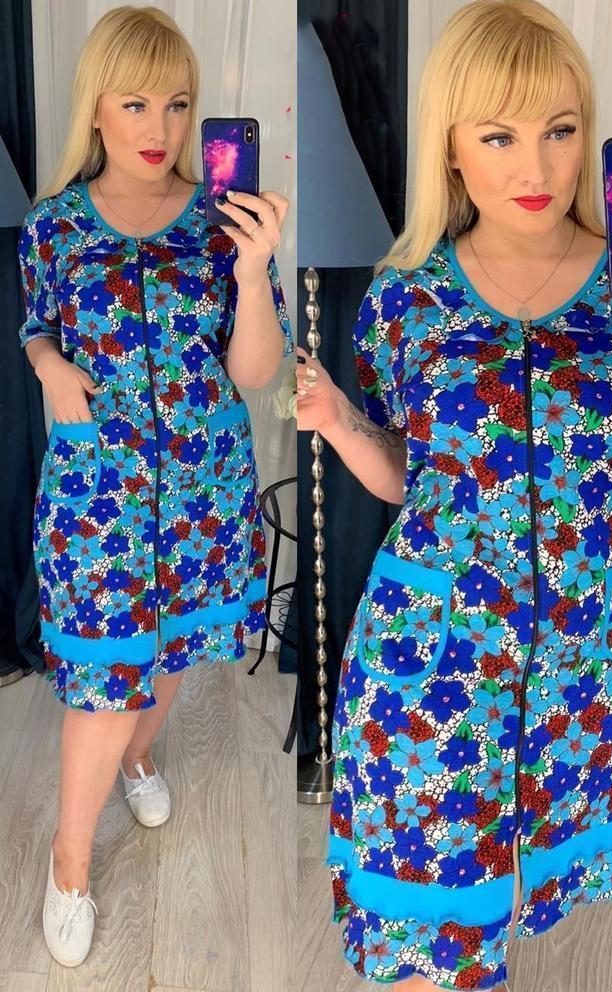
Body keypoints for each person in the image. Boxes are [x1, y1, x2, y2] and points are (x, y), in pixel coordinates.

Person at [296, 1, 612, 989]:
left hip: (584, 654)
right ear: (449, 147)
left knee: (516, 892)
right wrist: (344, 424)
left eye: (560, 129)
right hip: (432, 650)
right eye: (499, 136)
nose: (537, 166)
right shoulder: (406, 295)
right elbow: (414, 477)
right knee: (423, 917)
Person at [17, 5, 292, 969]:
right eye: (135, 103)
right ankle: (70, 861)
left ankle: (141, 756)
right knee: (102, 682)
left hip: (205, 489)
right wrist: (49, 365)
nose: (160, 127)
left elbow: (254, 371)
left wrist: (252, 271)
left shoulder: (223, 226)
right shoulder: (54, 225)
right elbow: (38, 324)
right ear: (96, 107)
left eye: (178, 104)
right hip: (98, 493)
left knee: (171, 654)